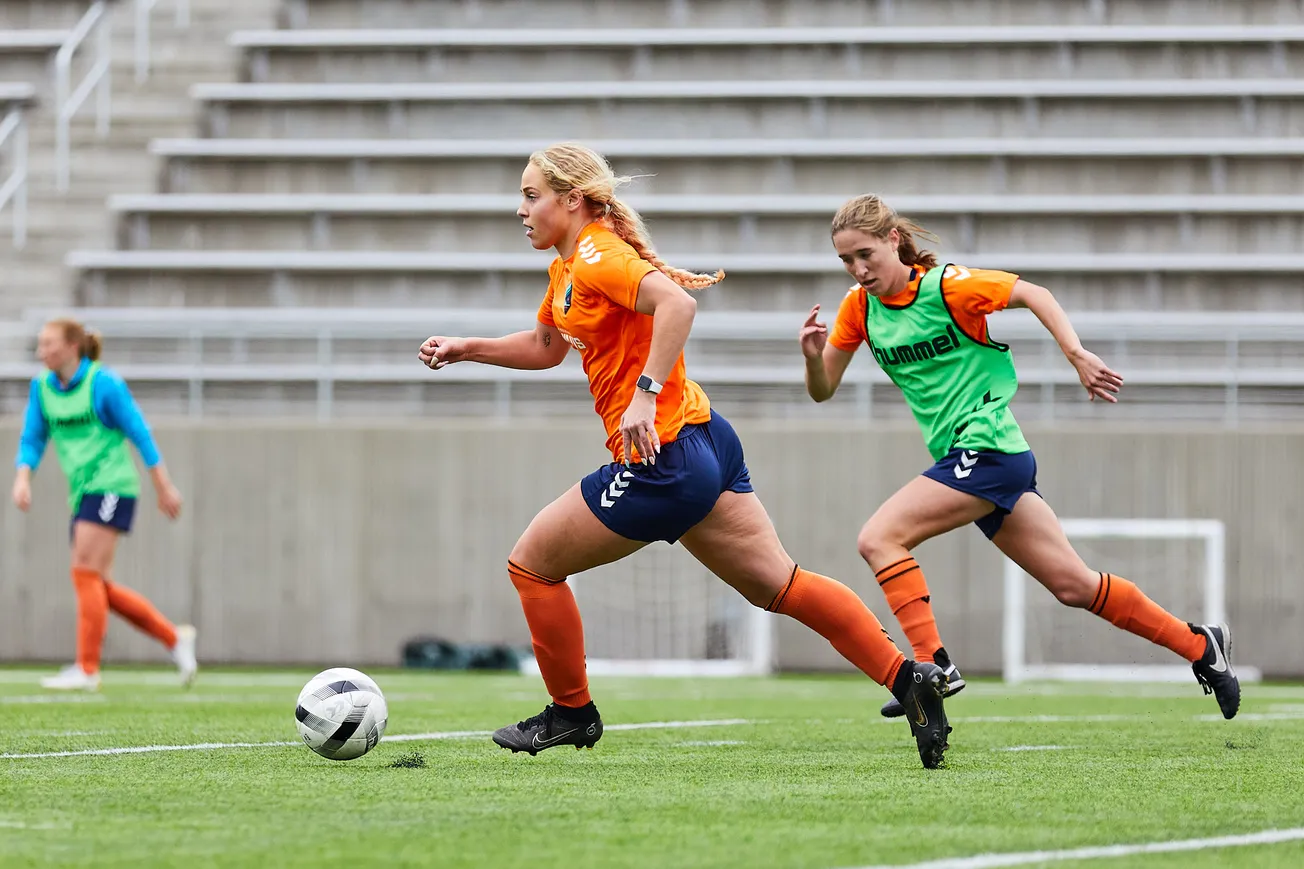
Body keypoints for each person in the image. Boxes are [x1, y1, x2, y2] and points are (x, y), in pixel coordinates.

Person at [419, 144, 953, 768]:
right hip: (705, 439)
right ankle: (907, 678)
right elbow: (545, 345)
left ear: (572, 200)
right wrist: (466, 348)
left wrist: (644, 396)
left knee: (531, 565)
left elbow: (678, 303)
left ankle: (571, 713)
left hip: (661, 458)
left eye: (531, 194)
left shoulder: (597, 255)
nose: (521, 208)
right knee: (780, 585)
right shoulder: (569, 268)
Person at [798, 194, 1239, 720]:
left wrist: (1077, 354)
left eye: (865, 254)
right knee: (1074, 585)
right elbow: (823, 390)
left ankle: (930, 663)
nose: (858, 268)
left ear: (894, 240)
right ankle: (1200, 646)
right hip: (976, 459)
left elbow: (1035, 294)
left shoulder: (948, 287)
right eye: (846, 260)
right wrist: (811, 358)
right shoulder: (858, 309)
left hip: (987, 447)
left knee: (879, 538)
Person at [11, 318, 198, 691]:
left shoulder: (103, 383)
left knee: (83, 573)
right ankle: (175, 638)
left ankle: (87, 669)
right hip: (81, 493)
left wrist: (164, 486)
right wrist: (22, 478)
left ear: (71, 347)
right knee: (98, 586)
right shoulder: (42, 388)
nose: (40, 351)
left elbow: (139, 432)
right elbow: (33, 437)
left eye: (48, 344)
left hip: (112, 485)